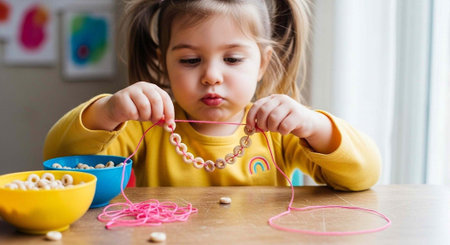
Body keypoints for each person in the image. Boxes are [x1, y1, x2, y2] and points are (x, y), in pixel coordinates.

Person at [44, 0, 381, 191]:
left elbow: (365, 175)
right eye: (190, 60)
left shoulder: (278, 133)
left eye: (233, 59)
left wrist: (314, 126)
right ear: (163, 63)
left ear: (263, 64)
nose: (211, 76)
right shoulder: (144, 127)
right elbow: (58, 161)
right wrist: (108, 110)